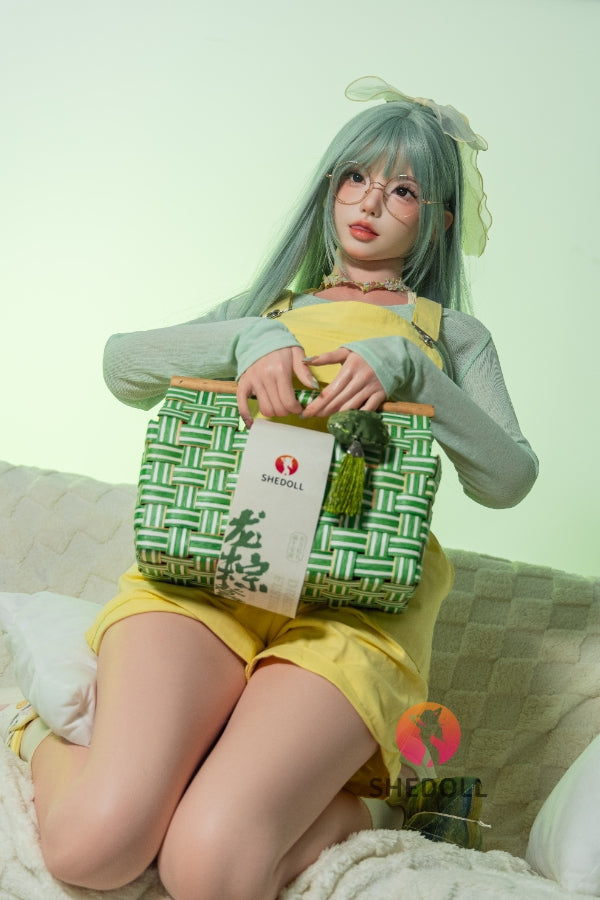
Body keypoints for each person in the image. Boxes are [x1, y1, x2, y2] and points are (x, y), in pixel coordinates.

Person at [1, 76, 538, 899]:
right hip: (207, 576)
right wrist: (247, 340)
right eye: (355, 177)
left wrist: (415, 372)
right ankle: (34, 732)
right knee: (96, 845)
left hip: (354, 611)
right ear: (329, 187)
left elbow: (510, 479)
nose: (370, 203)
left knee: (209, 867)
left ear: (439, 219)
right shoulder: (266, 308)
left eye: (403, 190)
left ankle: (379, 807)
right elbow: (120, 364)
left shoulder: (453, 337)